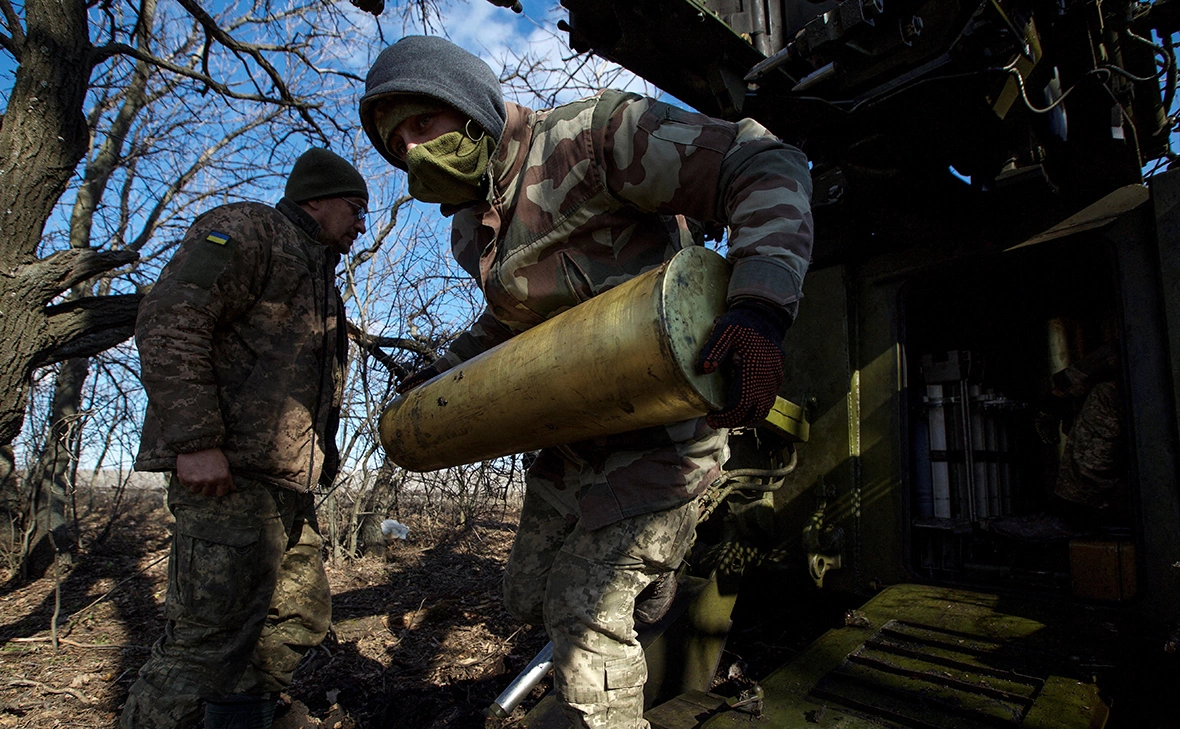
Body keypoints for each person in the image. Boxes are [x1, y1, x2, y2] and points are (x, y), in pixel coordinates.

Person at [359, 35, 813, 728]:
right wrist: (445, 368)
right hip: (575, 443)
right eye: (397, 145)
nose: (413, 152)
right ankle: (655, 582)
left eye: (423, 125)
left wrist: (759, 306)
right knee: (526, 594)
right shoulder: (469, 233)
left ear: (468, 104)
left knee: (583, 604)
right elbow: (514, 324)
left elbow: (764, 162)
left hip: (663, 434)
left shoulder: (590, 137)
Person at [121, 148, 369, 729]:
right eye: (355, 209)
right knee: (206, 645)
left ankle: (241, 719)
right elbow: (170, 319)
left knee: (298, 618)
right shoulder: (248, 230)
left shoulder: (318, 275)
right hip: (226, 480)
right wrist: (195, 440)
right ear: (316, 199)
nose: (362, 224)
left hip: (283, 488)